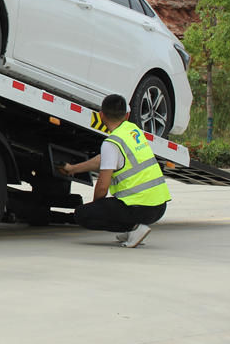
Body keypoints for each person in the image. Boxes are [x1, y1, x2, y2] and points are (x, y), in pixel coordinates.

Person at [60, 94, 171, 247]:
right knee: (102, 209)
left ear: (101, 115)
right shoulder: (132, 131)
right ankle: (132, 229)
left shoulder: (111, 143)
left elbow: (102, 187)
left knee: (82, 215)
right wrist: (73, 168)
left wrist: (96, 209)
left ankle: (133, 228)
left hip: (140, 208)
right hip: (159, 206)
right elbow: (103, 159)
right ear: (127, 115)